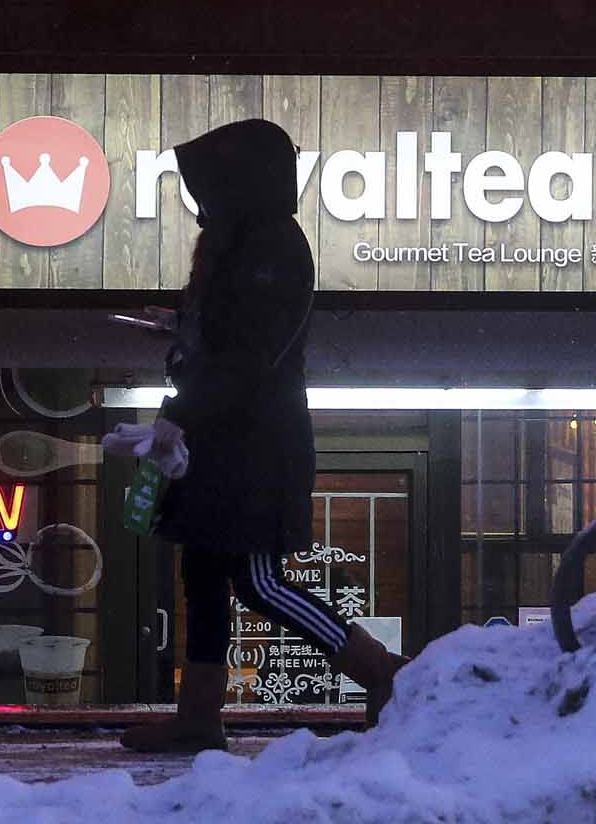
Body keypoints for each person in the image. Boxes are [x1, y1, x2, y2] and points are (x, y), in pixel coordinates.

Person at [118, 118, 406, 754]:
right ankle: (199, 715)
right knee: (202, 572)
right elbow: (237, 340)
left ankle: (378, 668)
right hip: (229, 440)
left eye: (208, 186)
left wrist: (184, 411)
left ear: (237, 183)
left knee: (257, 579)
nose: (200, 202)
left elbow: (249, 356)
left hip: (251, 447)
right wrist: (182, 326)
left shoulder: (268, 245)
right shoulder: (247, 242)